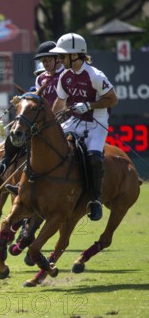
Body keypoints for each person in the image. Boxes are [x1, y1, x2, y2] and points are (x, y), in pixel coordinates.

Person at [49, 33, 117, 221]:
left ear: (75, 55)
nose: (60, 60)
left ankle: (95, 200)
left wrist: (90, 105)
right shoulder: (64, 76)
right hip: (74, 120)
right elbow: (60, 102)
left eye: (62, 56)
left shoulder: (95, 75)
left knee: (94, 157)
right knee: (50, 143)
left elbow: (113, 99)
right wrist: (52, 123)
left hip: (96, 122)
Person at [0, 41, 64, 180]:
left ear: (58, 58)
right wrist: (23, 98)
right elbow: (36, 97)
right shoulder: (41, 78)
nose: (45, 63)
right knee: (17, 133)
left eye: (47, 60)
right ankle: (4, 164)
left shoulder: (66, 75)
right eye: (43, 60)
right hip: (43, 121)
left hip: (64, 120)